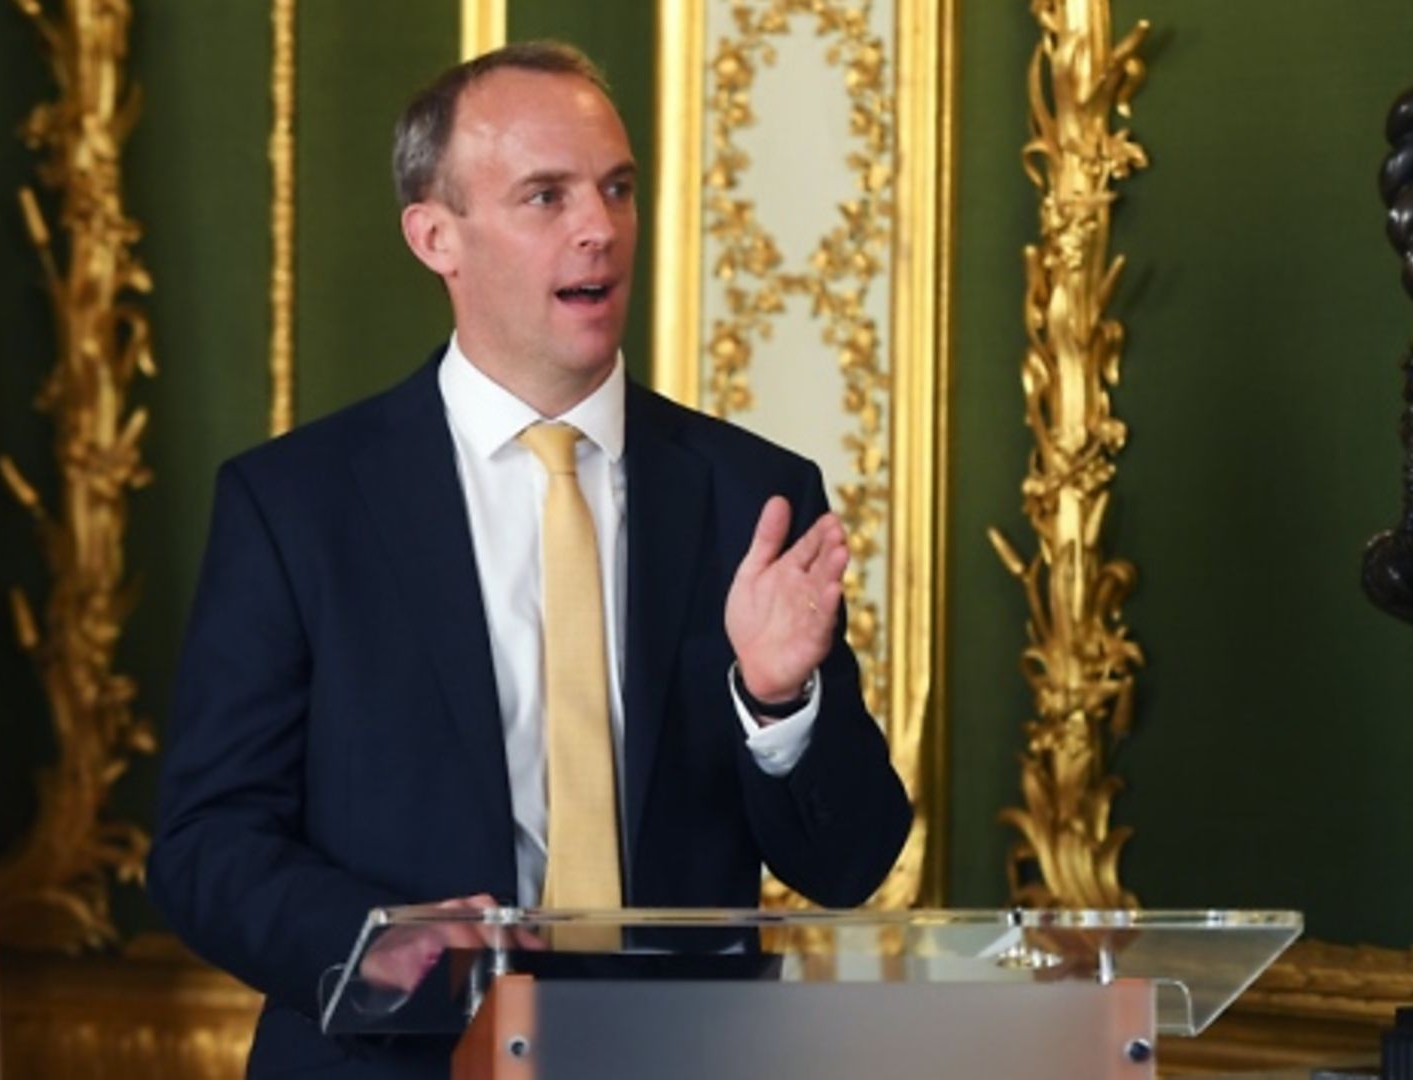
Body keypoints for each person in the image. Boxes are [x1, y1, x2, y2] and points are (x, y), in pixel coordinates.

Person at [149, 40, 911, 1078]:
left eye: (617, 188)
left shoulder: (752, 499)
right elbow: (206, 848)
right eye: (545, 197)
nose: (599, 228)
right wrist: (382, 943)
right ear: (436, 236)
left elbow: (850, 860)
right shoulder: (297, 506)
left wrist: (779, 707)